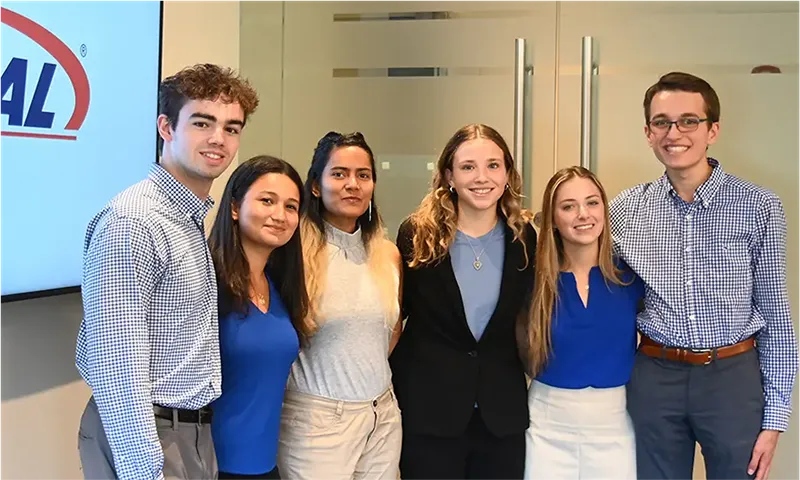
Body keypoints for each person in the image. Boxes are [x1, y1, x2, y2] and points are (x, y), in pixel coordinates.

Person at [610, 71, 799, 480]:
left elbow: (777, 317)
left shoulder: (759, 205)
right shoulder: (624, 211)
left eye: (688, 121)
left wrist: (776, 419)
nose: (674, 132)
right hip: (654, 377)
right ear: (648, 132)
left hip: (731, 378)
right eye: (661, 122)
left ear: (712, 130)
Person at [75, 64, 259, 480]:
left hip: (190, 432)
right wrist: (145, 470)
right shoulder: (135, 221)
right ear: (166, 127)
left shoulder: (187, 217)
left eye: (232, 128)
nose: (219, 139)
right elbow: (117, 366)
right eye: (202, 123)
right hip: (148, 436)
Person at [390, 123, 537, 480]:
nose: (481, 177)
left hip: (501, 416)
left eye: (493, 165)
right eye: (468, 166)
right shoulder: (417, 235)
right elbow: (395, 317)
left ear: (507, 175)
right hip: (429, 412)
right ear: (448, 176)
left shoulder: (525, 238)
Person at [276, 131, 403, 480]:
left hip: (383, 414)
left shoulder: (386, 253)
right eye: (339, 174)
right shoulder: (291, 253)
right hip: (317, 421)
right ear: (315, 186)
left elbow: (389, 333)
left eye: (363, 175)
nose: (353, 184)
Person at [517, 166, 642, 479]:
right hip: (547, 428)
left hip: (614, 428)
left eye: (592, 202)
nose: (583, 214)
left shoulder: (631, 277)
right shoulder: (533, 281)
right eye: (568, 206)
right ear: (553, 220)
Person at [208, 156, 314, 480]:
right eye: (267, 201)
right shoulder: (207, 281)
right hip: (211, 465)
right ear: (236, 207)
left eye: (291, 206)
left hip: (266, 465)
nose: (280, 215)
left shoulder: (279, 286)